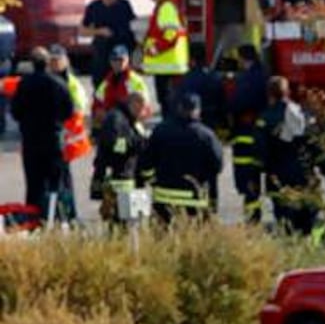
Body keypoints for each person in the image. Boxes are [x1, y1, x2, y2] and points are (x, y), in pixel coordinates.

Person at [139, 92, 223, 224]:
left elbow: (146, 162)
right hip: (195, 200)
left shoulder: (161, 131)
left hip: (164, 198)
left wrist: (153, 180)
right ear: (197, 110)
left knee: (163, 239)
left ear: (179, 108)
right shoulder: (206, 135)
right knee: (192, 240)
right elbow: (217, 165)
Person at [10, 47, 74, 217]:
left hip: (31, 141)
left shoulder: (24, 84)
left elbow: (15, 112)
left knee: (34, 185)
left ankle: (33, 218)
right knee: (56, 184)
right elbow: (69, 111)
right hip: (54, 140)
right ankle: (59, 218)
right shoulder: (59, 84)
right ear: (47, 63)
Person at [255, 76, 313, 234]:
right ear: (287, 92)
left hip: (277, 172)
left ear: (269, 94)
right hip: (301, 170)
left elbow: (261, 149)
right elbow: (312, 141)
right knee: (304, 211)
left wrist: (261, 170)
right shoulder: (301, 113)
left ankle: (288, 242)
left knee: (283, 214)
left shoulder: (264, 119)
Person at [91, 92, 148, 223]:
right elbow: (115, 145)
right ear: (134, 104)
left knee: (128, 221)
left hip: (124, 177)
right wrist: (138, 143)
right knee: (118, 222)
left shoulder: (127, 119)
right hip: (116, 180)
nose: (143, 114)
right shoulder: (116, 119)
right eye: (142, 110)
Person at [48, 44, 89, 221]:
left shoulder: (71, 84)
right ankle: (58, 213)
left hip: (67, 139)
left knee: (64, 181)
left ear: (66, 61)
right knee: (56, 180)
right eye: (53, 60)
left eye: (58, 60)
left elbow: (79, 109)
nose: (55, 63)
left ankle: (69, 215)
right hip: (56, 137)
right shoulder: (49, 79)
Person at [230, 44, 268, 223]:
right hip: (259, 133)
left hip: (245, 132)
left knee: (247, 179)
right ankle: (253, 216)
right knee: (255, 176)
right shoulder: (264, 74)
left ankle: (252, 219)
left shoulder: (248, 79)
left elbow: (238, 103)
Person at [142, 0, 189, 117]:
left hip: (167, 63)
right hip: (165, 64)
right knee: (166, 99)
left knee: (167, 99)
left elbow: (172, 32)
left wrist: (156, 48)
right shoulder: (162, 7)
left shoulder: (166, 8)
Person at [79, 0, 136, 89]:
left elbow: (133, 25)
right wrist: (99, 31)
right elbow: (82, 31)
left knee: (122, 82)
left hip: (122, 47)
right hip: (102, 50)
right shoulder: (94, 6)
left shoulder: (124, 4)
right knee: (100, 82)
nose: (109, 1)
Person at [92, 45, 150, 131]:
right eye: (114, 60)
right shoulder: (107, 80)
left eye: (120, 60)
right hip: (112, 119)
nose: (117, 63)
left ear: (127, 60)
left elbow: (144, 104)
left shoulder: (134, 79)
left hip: (130, 120)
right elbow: (97, 101)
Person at [175, 46, 226, 133]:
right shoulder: (215, 76)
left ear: (192, 61)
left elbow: (180, 101)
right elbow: (222, 100)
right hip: (214, 121)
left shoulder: (188, 78)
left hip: (194, 123)